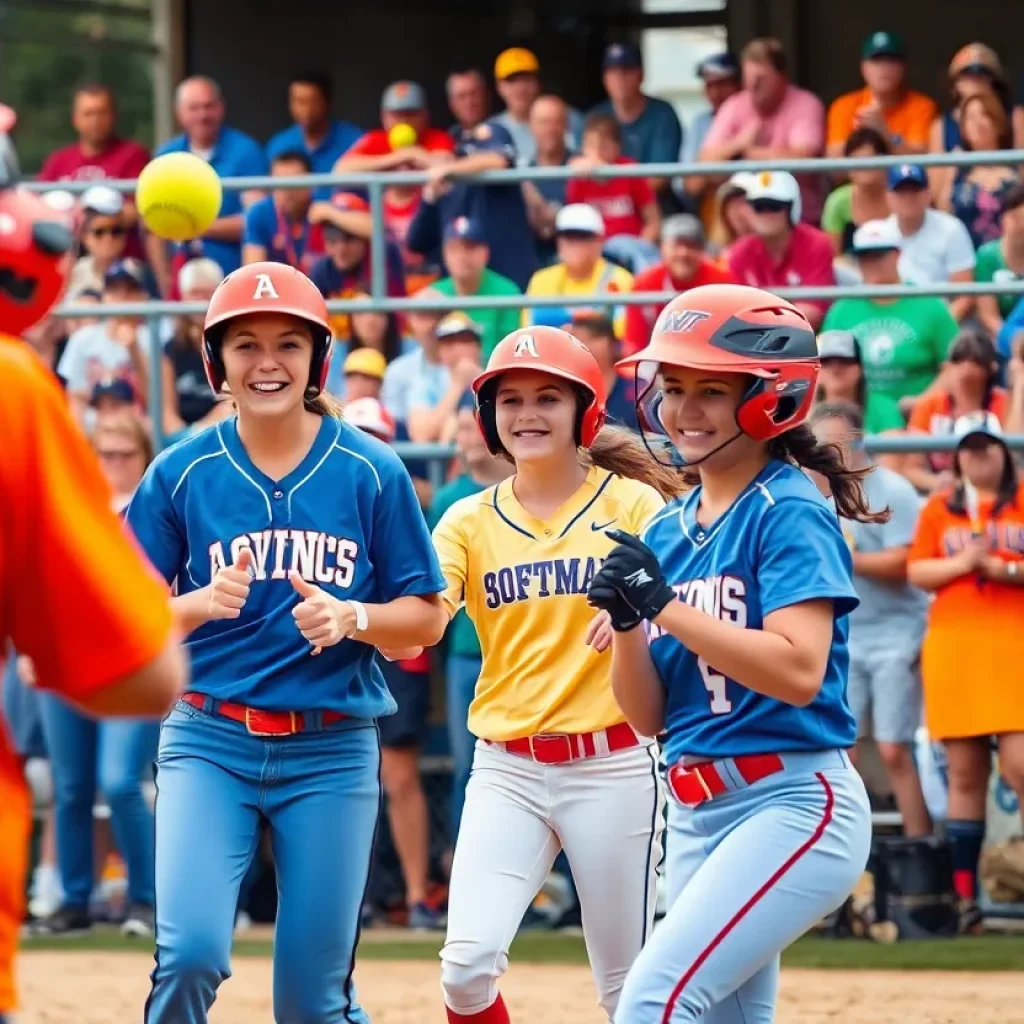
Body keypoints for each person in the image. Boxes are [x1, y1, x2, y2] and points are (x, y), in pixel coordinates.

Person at [125, 261, 448, 1023]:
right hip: (210, 738)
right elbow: (121, 613)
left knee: (312, 1003)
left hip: (330, 750)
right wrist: (197, 604)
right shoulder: (180, 472)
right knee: (191, 957)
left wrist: (354, 618)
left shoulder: (370, 469)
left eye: (287, 345)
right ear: (217, 365)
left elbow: (428, 617)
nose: (267, 362)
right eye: (246, 346)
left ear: (317, 361)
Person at [586, 284, 875, 1023]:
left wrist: (666, 607)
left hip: (790, 800)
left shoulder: (789, 510)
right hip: (696, 811)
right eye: (673, 387)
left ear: (772, 398)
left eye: (710, 390)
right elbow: (650, 717)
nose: (683, 409)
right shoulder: (674, 529)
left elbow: (799, 671)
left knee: (651, 1002)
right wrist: (627, 625)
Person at [420, 325, 683, 1023]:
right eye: (511, 400)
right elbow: (428, 612)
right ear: (489, 418)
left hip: (615, 764)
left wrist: (642, 616)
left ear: (584, 414)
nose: (527, 414)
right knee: (465, 971)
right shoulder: (465, 519)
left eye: (547, 398)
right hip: (507, 768)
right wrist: (364, 619)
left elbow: (681, 595)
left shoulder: (631, 503)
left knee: (627, 990)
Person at [0, 143, 184, 1021]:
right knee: (80, 784)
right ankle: (83, 894)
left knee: (103, 784)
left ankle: (125, 895)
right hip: (86, 662)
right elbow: (146, 672)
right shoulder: (13, 389)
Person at [32, 415, 162, 938]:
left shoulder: (155, 505)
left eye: (124, 453)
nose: (113, 464)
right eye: (104, 454)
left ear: (143, 455)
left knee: (121, 780)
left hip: (130, 661)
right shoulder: (68, 504)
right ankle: (75, 899)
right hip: (64, 658)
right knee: (71, 786)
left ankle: (147, 899)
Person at [907, 412, 1024, 932]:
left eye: (988, 449)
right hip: (955, 645)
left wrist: (1007, 569)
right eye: (970, 450)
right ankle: (964, 898)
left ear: (1005, 455)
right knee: (966, 773)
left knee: (1021, 765)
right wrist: (962, 565)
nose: (979, 458)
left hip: (1013, 642)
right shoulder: (939, 508)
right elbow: (917, 570)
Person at [810, 402, 932, 840]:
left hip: (897, 634)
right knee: (844, 753)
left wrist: (849, 557)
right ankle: (855, 860)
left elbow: (907, 562)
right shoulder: (817, 492)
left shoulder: (893, 489)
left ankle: (922, 863)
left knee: (896, 750)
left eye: (833, 443)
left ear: (855, 440)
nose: (825, 451)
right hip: (846, 637)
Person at [426, 403, 511, 848]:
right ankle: (464, 870)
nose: (470, 436)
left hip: (518, 646)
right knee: (469, 765)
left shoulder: (522, 491)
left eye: (474, 426)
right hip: (464, 651)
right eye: (460, 427)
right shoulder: (448, 500)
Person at [821, 220, 959, 411]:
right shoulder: (841, 309)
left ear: (897, 254)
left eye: (878, 255)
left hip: (917, 417)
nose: (871, 263)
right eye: (864, 257)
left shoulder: (930, 305)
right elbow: (823, 369)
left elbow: (955, 366)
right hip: (856, 416)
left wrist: (923, 403)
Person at [151, 76, 268, 286]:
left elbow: (257, 219)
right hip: (180, 284)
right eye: (194, 108)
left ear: (221, 108)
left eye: (209, 106)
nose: (202, 115)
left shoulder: (246, 151)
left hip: (232, 279)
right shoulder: (166, 155)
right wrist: (165, 282)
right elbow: (151, 226)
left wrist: (193, 226)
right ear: (179, 113)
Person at [700, 38, 826, 224]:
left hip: (798, 220)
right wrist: (738, 143)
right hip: (742, 223)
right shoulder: (734, 105)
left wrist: (748, 153)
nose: (753, 87)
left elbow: (803, 156)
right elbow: (704, 163)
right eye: (748, 78)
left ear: (781, 77)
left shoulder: (806, 104)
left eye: (760, 79)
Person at [902, 329, 1009, 494]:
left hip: (995, 492)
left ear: (990, 369)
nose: (966, 370)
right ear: (947, 368)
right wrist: (937, 482)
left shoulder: (1004, 404)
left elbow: (1015, 461)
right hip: (941, 495)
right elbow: (911, 468)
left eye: (976, 362)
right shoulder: (928, 406)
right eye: (959, 360)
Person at [727, 171, 835, 330]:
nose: (766, 214)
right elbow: (735, 312)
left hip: (807, 341)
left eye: (774, 206)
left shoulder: (816, 244)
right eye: (759, 206)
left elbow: (812, 312)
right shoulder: (739, 253)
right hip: (755, 341)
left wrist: (761, 323)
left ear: (792, 208)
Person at [624, 214, 734, 357]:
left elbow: (733, 338)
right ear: (662, 248)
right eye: (676, 245)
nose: (683, 253)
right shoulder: (644, 284)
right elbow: (634, 345)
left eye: (691, 246)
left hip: (711, 358)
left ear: (702, 250)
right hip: (658, 361)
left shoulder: (723, 280)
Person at [522, 204, 633, 336]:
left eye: (582, 237)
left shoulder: (621, 280)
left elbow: (622, 334)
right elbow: (527, 331)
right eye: (567, 236)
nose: (574, 244)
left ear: (599, 242)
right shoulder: (541, 279)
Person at [886, 163, 976, 322]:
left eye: (915, 190)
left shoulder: (951, 229)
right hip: (891, 320)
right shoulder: (875, 234)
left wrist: (935, 328)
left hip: (939, 319)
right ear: (889, 197)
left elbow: (965, 297)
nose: (908, 197)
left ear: (928, 194)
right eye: (901, 192)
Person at [826, 32, 937, 157]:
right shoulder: (844, 105)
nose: (884, 67)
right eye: (876, 60)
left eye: (892, 60)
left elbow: (919, 163)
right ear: (863, 67)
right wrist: (862, 136)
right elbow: (835, 170)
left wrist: (884, 131)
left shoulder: (922, 106)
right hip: (854, 177)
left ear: (904, 67)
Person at [936, 92, 1019, 250]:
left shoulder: (1016, 166)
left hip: (1006, 259)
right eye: (970, 118)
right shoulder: (957, 168)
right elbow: (943, 214)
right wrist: (952, 168)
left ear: (999, 123)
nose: (978, 123)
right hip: (964, 258)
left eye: (985, 115)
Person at [433, 216, 522, 359]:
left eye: (471, 248)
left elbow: (512, 350)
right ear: (444, 254)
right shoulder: (434, 293)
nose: (462, 256)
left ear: (486, 253)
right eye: (455, 248)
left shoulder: (507, 292)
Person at [161, 258, 228, 441]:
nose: (200, 302)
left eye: (207, 295)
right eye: (194, 294)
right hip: (184, 434)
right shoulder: (172, 347)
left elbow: (232, 403)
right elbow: (167, 412)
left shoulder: (229, 345)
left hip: (222, 429)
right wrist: (184, 439)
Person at [489, 47, 583, 164]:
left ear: (537, 82)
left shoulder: (572, 118)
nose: (521, 88)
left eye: (526, 79)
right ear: (499, 87)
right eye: (512, 81)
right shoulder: (491, 130)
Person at [265, 71, 361, 177]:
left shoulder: (355, 142)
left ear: (327, 102)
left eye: (313, 102)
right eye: (299, 102)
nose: (306, 110)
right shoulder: (279, 145)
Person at [242, 150, 324, 273]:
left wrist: (333, 214)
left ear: (310, 185)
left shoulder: (325, 211)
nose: (286, 191)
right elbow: (253, 273)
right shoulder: (259, 213)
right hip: (275, 288)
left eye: (293, 183)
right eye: (279, 183)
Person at [814, 329, 906, 436]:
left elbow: (894, 445)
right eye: (826, 362)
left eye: (845, 361)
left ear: (860, 367)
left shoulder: (882, 406)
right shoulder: (804, 410)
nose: (836, 369)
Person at [821, 128, 892, 259]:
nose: (863, 167)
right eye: (857, 160)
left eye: (870, 159)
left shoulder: (899, 196)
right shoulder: (837, 202)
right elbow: (833, 258)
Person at [975, 183, 1024, 344]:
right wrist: (1012, 340)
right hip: (1000, 340)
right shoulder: (987, 256)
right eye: (1015, 219)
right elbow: (988, 316)